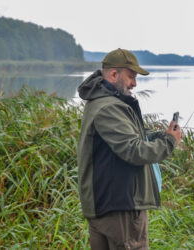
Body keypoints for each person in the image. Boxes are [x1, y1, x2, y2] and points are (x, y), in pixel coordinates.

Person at [77, 48, 182, 250]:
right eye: (131, 77)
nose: (134, 83)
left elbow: (126, 138)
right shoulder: (110, 107)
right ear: (114, 74)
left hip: (105, 206)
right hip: (120, 210)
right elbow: (134, 151)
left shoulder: (99, 102)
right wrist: (169, 143)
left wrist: (159, 136)